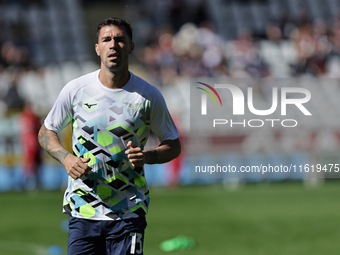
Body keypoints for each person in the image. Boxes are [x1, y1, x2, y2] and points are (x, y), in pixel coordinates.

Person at [38, 17, 181, 255]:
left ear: (131, 47)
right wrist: (65, 158)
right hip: (83, 210)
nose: (113, 45)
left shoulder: (147, 95)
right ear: (97, 48)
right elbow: (46, 132)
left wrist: (146, 157)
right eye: (106, 39)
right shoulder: (76, 90)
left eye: (120, 39)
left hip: (129, 212)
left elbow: (173, 145)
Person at [19, 101, 42, 189]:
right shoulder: (32, 117)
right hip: (32, 143)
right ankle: (30, 183)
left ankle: (30, 182)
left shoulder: (23, 116)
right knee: (31, 164)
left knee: (32, 163)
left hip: (29, 143)